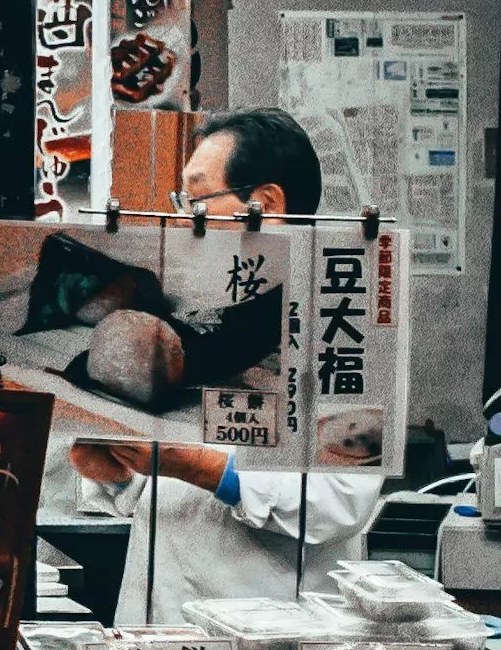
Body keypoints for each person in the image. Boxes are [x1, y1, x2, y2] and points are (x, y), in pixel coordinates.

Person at [64, 104, 385, 610]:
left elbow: (341, 501)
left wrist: (202, 466)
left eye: (196, 199)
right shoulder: (188, 305)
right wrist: (115, 473)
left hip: (271, 635)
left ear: (264, 203)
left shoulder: (340, 317)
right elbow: (155, 492)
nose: (180, 218)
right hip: (161, 620)